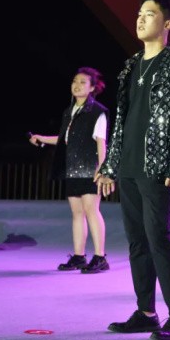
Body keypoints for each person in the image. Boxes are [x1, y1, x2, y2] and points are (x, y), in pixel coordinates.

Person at [94, 0, 170, 340]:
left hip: (158, 167)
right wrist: (110, 164)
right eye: (139, 13)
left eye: (150, 13)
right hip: (129, 163)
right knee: (137, 241)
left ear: (167, 23)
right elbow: (122, 120)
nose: (140, 18)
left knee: (159, 239)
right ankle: (146, 312)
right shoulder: (131, 65)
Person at [29, 67, 110, 274]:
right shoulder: (69, 111)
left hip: (91, 168)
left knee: (92, 210)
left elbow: (101, 142)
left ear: (92, 88)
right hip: (72, 168)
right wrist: (42, 138)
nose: (77, 85)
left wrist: (103, 169)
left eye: (83, 82)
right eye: (75, 81)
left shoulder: (98, 112)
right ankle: (79, 256)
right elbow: (65, 139)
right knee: (77, 213)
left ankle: (100, 257)